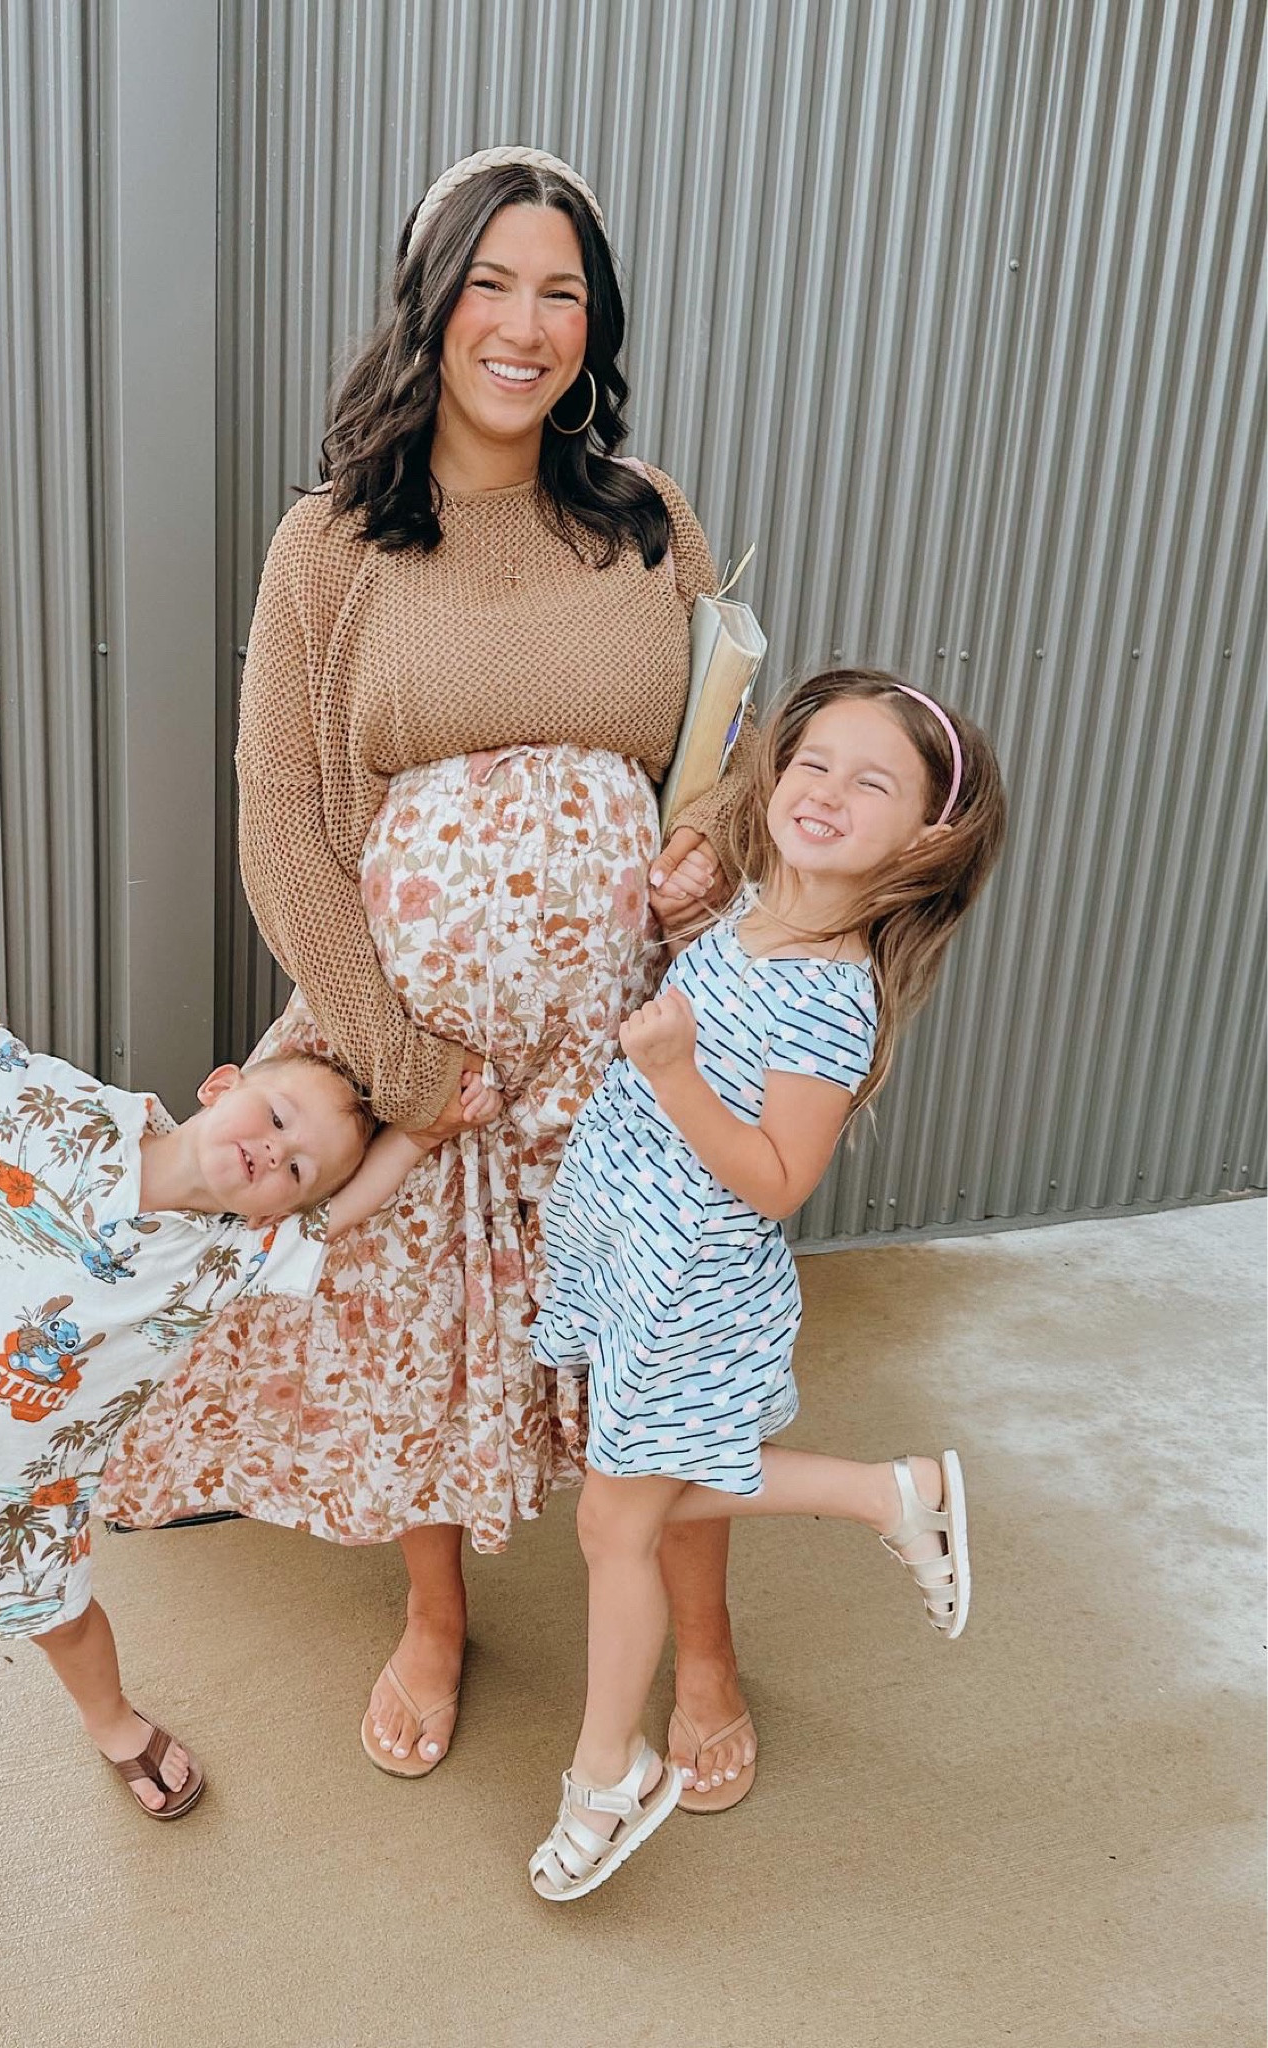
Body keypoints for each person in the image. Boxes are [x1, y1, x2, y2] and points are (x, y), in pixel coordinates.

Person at [97, 145, 763, 1794]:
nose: (524, 324)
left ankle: (703, 1653)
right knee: (420, 1341)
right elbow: (276, 820)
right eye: (490, 282)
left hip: (623, 1046)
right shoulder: (334, 543)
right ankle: (436, 1612)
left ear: (589, 319)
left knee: (651, 1346)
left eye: (560, 290)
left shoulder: (642, 517)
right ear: (429, 300)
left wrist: (711, 848)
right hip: (422, 1058)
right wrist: (400, 1065)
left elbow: (720, 754)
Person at [0, 811, 484, 1927]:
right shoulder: (45, 1108)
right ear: (223, 1086)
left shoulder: (229, 1254)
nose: (272, 1149)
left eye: (295, 1164)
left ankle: (113, 1720)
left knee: (66, 1618)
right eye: (273, 1114)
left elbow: (351, 1211)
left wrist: (425, 1130)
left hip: (35, 1496)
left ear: (284, 1206)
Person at [524, 669, 1008, 1901]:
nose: (827, 791)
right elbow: (732, 761)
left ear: (928, 837)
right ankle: (887, 1491)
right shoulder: (748, 909)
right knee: (631, 1502)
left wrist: (678, 1073)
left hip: (691, 1281)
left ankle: (605, 1773)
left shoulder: (831, 994)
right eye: (813, 762)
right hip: (638, 1255)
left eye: (872, 781)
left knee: (612, 1523)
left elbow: (782, 1178)